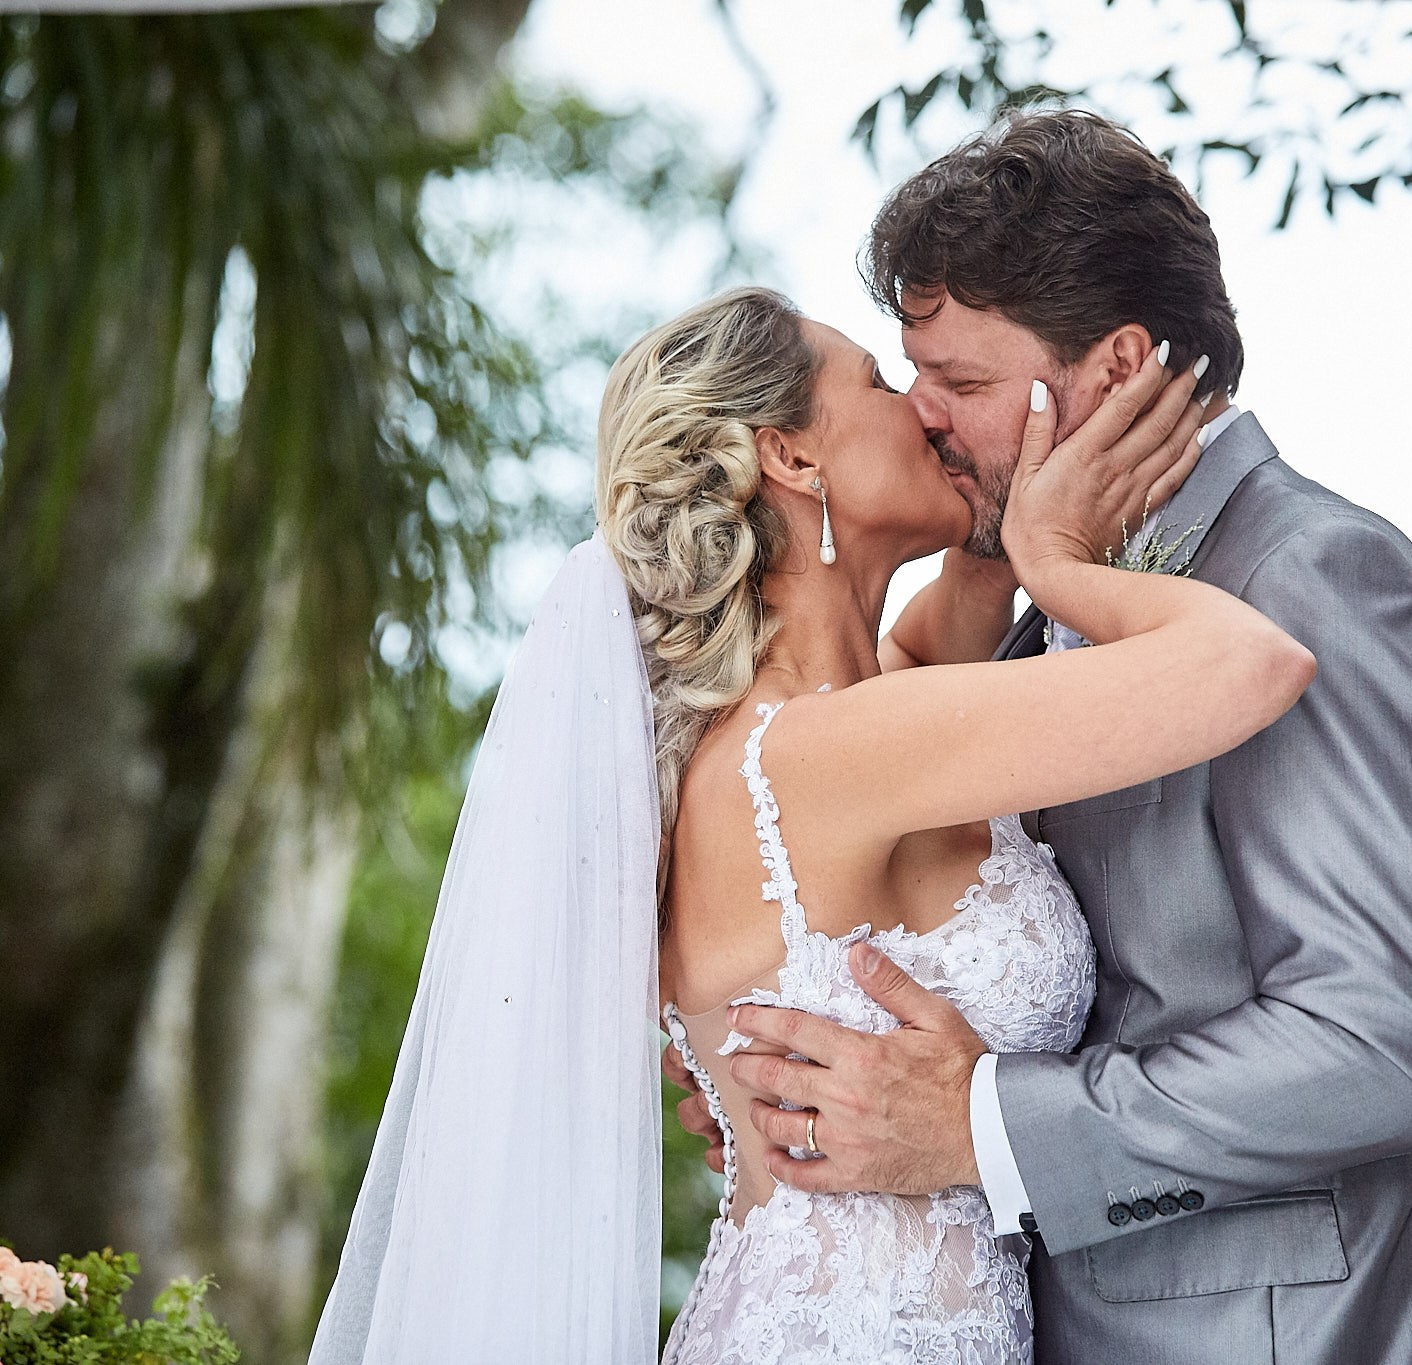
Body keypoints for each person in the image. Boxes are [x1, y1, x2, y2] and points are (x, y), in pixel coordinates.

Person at [670, 108, 1412, 1364]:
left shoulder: (1318, 581)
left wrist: (979, 1125)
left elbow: (1382, 1045)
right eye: (909, 380)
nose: (922, 420)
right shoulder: (1037, 640)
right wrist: (782, 1078)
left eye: (963, 385)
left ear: (1117, 367)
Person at [306, 284, 1314, 1364]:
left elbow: (934, 640)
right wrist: (1056, 557)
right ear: (789, 458)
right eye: (883, 384)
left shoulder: (832, 723)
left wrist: (997, 512)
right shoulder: (826, 754)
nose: (925, 410)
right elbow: (1251, 662)